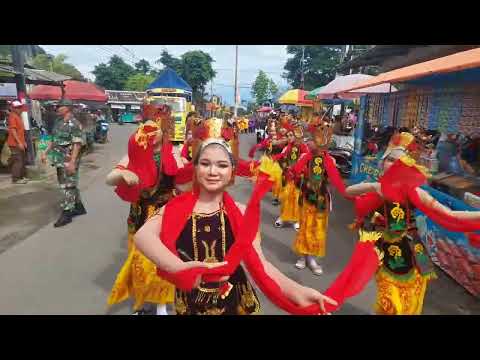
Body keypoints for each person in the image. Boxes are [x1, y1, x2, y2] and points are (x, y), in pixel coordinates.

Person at [134, 117, 337, 315]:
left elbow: (261, 265)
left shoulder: (240, 212)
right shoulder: (176, 208)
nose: (213, 171)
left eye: (222, 165)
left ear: (232, 171)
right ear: (195, 167)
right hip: (190, 302)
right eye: (205, 163)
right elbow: (143, 237)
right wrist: (179, 267)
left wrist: (298, 291)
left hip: (234, 300)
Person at [344, 132, 480, 315]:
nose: (392, 165)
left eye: (398, 162)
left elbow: (450, 214)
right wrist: (373, 187)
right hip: (385, 250)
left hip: (412, 253)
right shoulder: (378, 186)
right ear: (383, 160)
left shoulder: (414, 191)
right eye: (390, 159)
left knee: (409, 302)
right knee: (388, 301)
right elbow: (349, 191)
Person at [106, 103, 184, 315]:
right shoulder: (136, 154)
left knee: (162, 259)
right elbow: (110, 177)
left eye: (154, 126)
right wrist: (122, 175)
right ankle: (144, 302)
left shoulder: (174, 153)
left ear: (163, 128)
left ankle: (161, 305)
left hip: (165, 214)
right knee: (140, 261)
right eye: (146, 125)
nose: (149, 130)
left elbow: (185, 180)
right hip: (140, 214)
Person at [289, 117, 351, 275]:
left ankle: (312, 258)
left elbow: (337, 181)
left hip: (321, 199)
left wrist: (350, 195)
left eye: (317, 140)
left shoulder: (329, 160)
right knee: (305, 226)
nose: (313, 143)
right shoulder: (306, 157)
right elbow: (294, 173)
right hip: (306, 196)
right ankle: (303, 256)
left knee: (318, 228)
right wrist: (298, 174)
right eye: (312, 140)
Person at [41, 103, 86, 227]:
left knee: (68, 186)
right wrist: (45, 152)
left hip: (69, 159)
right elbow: (53, 139)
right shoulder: (58, 122)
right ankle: (78, 206)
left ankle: (67, 212)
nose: (57, 108)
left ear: (67, 108)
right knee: (66, 183)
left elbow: (77, 144)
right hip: (59, 159)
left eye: (60, 106)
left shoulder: (75, 124)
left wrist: (72, 162)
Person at [273, 123, 309, 230]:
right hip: (288, 177)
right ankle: (283, 217)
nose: (289, 138)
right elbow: (282, 156)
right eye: (288, 136)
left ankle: (296, 220)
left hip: (299, 178)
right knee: (286, 197)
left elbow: (307, 159)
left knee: (297, 198)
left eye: (291, 135)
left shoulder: (304, 147)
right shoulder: (288, 147)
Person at [7, 100, 28, 184]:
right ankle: (15, 179)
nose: (20, 109)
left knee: (21, 160)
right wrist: (19, 142)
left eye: (20, 107)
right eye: (17, 107)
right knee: (18, 160)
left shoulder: (18, 116)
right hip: (14, 143)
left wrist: (24, 142)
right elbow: (13, 130)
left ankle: (21, 177)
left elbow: (20, 131)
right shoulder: (13, 116)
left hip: (20, 143)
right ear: (13, 109)